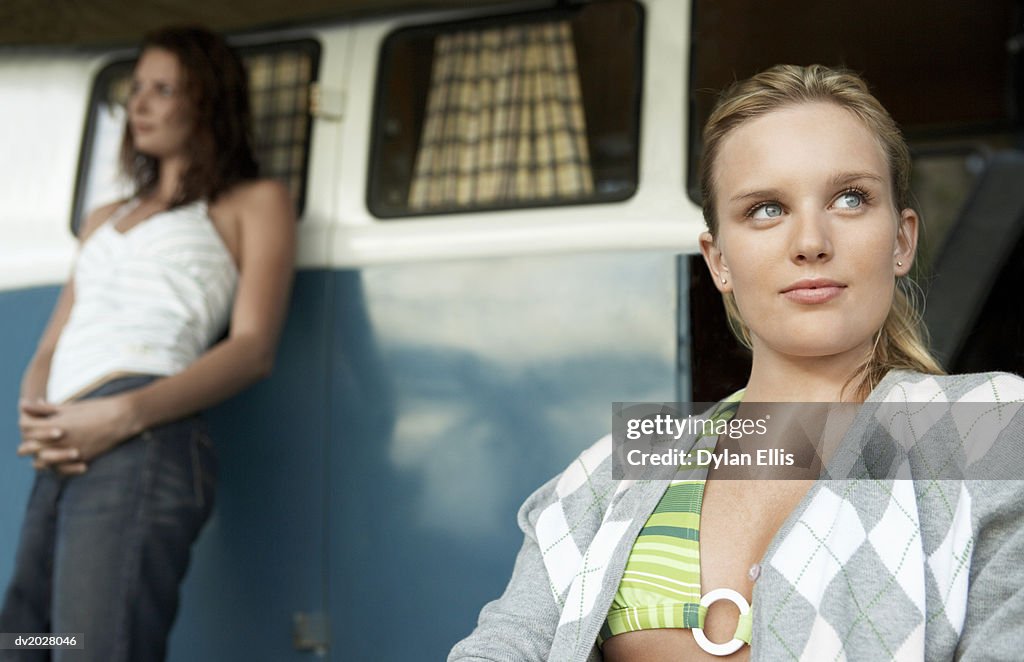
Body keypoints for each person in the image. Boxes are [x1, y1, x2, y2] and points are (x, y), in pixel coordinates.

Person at [449, 65, 1024, 661]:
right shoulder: (622, 462)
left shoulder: (990, 426)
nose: (811, 240)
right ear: (718, 259)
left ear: (901, 240)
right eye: (766, 209)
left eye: (850, 199)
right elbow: (503, 644)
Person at [0, 26, 295, 661]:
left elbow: (252, 348)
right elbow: (55, 338)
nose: (139, 104)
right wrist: (37, 412)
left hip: (143, 436)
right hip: (63, 439)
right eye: (135, 88)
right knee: (23, 641)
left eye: (164, 89)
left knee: (93, 646)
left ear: (209, 102)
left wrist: (121, 416)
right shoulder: (103, 217)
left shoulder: (251, 203)